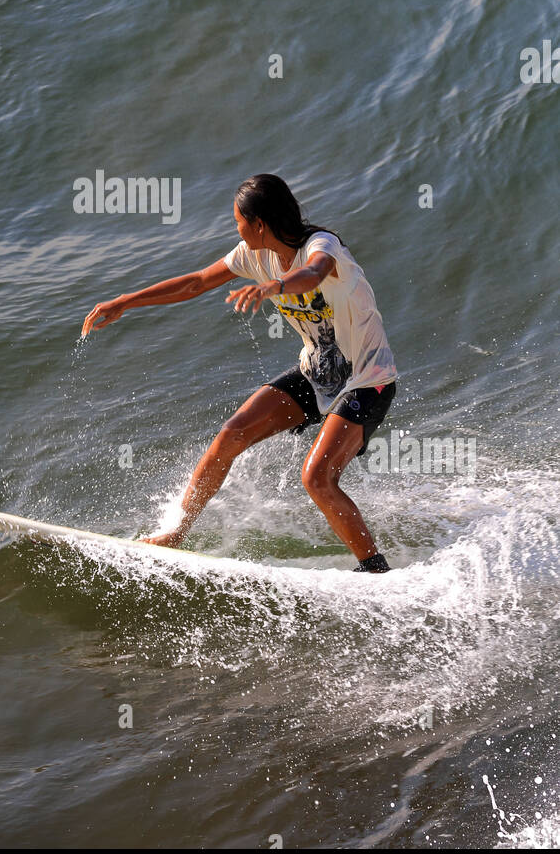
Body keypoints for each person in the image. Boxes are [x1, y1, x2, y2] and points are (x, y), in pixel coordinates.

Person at [81, 173, 398, 572]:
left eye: (238, 222)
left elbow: (314, 274)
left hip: (369, 379)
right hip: (316, 373)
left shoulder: (322, 245)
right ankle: (176, 534)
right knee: (231, 434)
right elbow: (196, 282)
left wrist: (274, 286)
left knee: (316, 477)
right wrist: (126, 301)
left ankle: (373, 568)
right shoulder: (253, 256)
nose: (236, 229)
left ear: (259, 224)